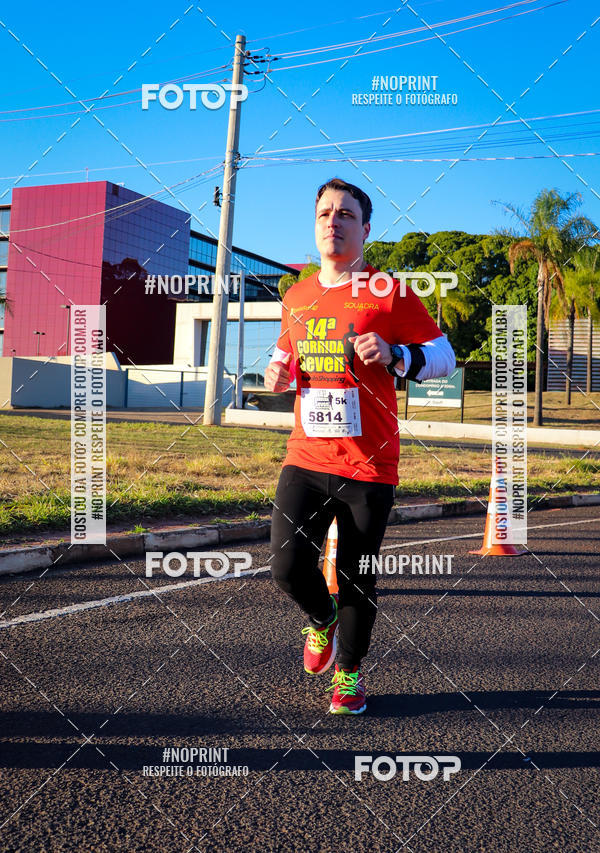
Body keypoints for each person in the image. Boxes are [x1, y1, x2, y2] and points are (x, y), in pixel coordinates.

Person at [265, 178, 455, 715]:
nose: (333, 221)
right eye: (325, 212)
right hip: (305, 456)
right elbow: (285, 359)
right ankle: (320, 619)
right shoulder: (298, 295)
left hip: (369, 466)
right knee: (284, 565)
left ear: (365, 228)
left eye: (346, 213)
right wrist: (278, 371)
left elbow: (445, 359)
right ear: (315, 223)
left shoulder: (389, 291)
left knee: (357, 574)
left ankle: (348, 674)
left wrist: (397, 353)